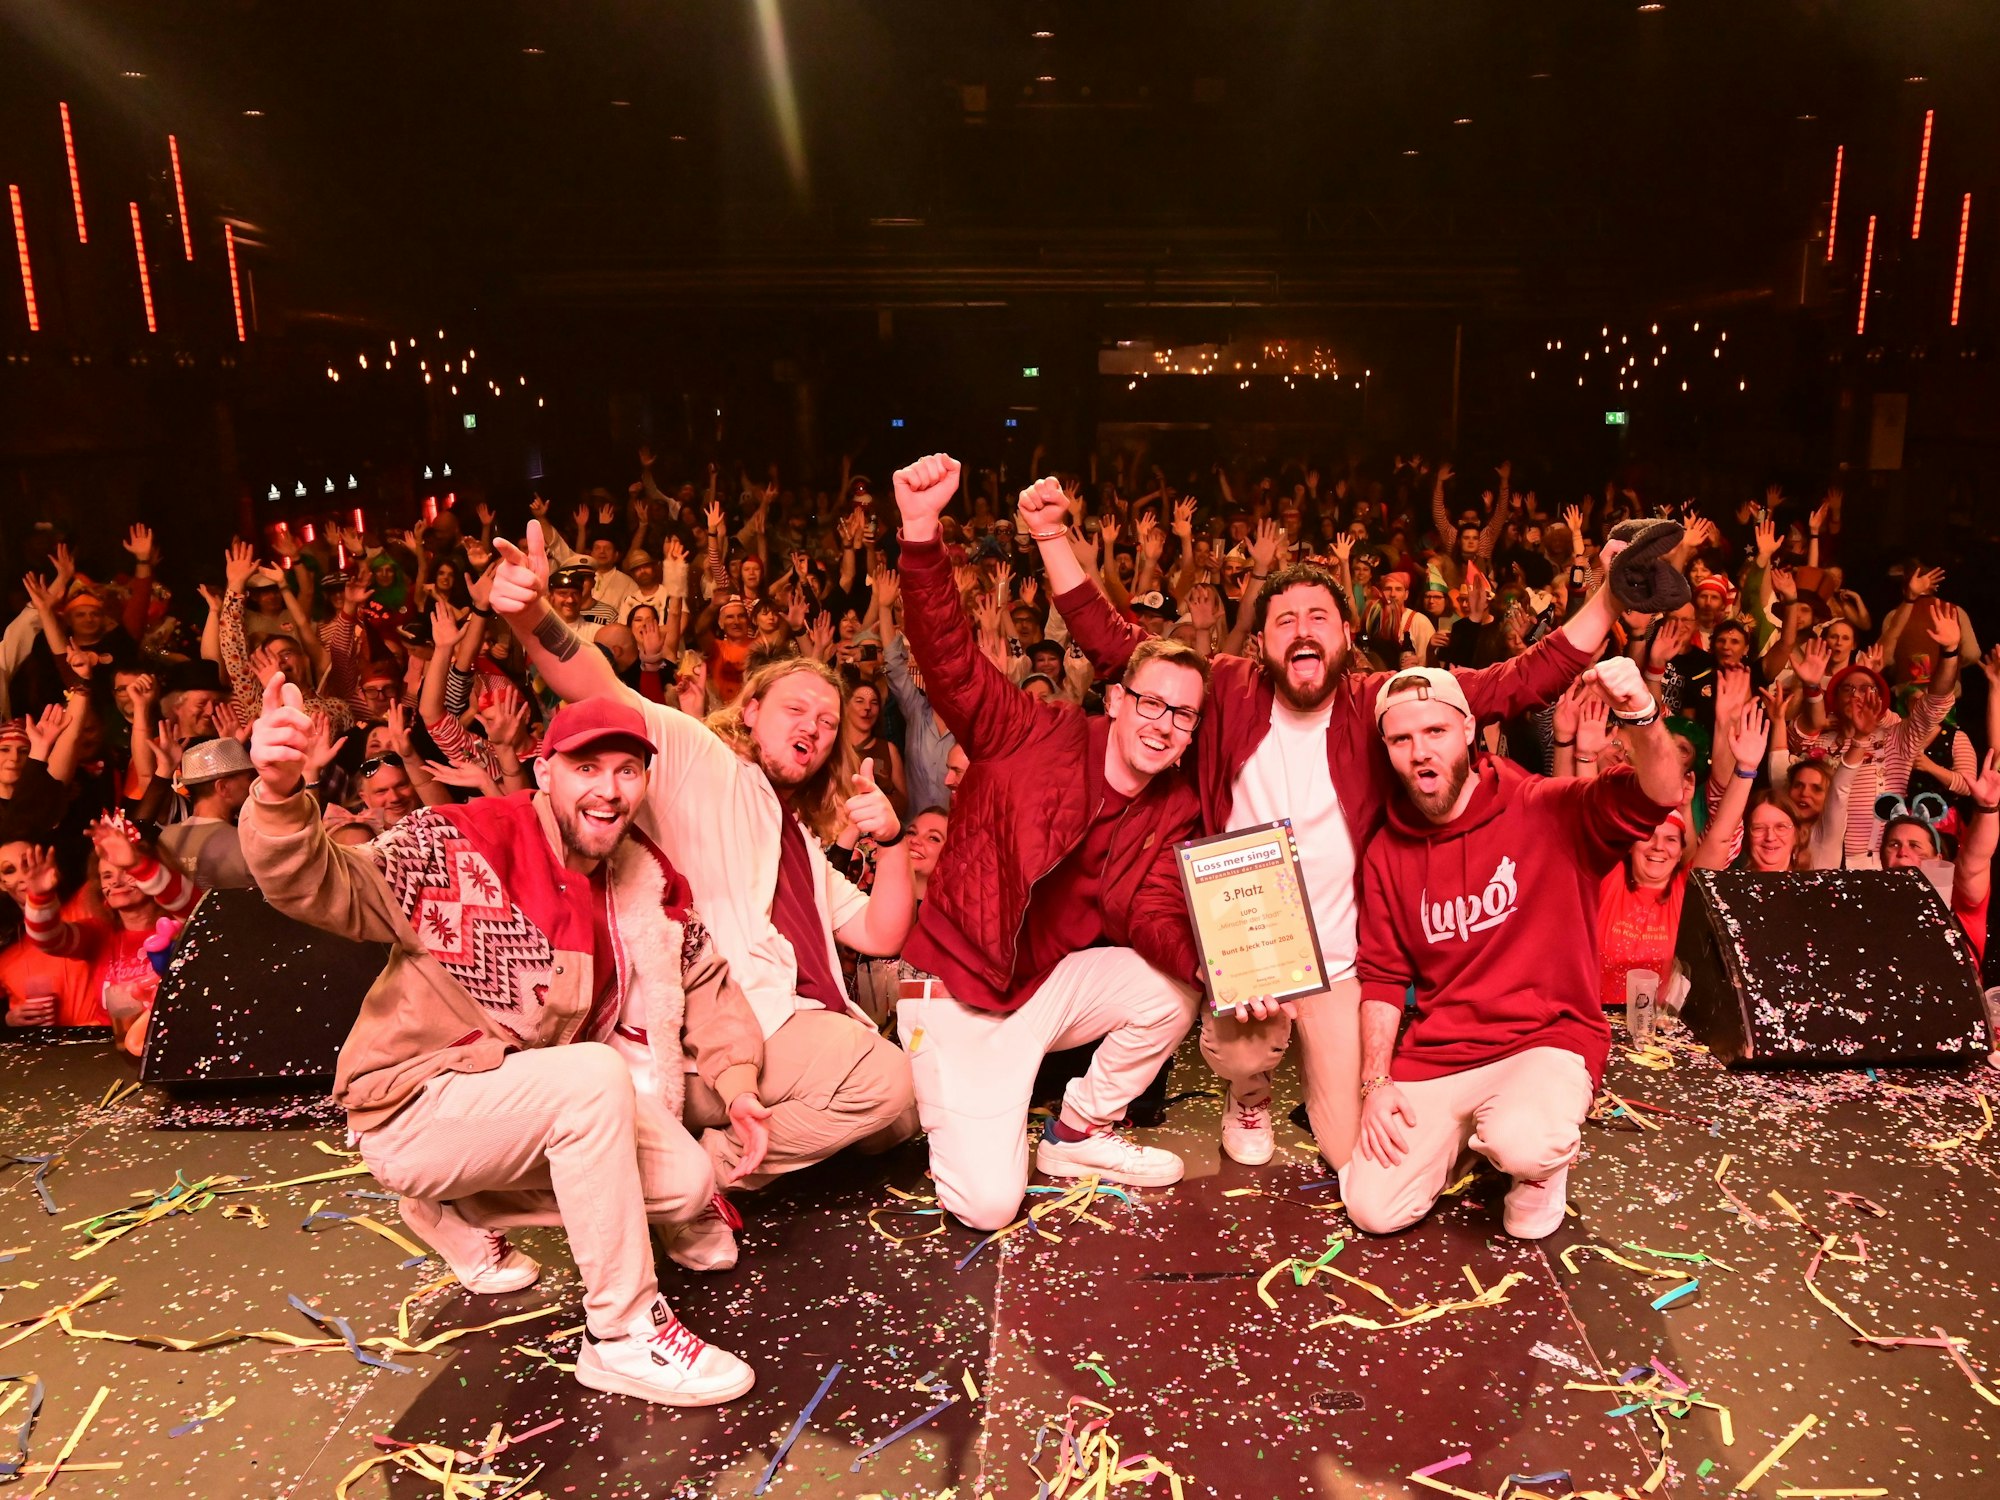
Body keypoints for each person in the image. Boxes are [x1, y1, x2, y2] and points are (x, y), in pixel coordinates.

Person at [1035, 477, 1632, 1175]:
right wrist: (1050, 535)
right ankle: (1247, 1092)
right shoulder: (1225, 688)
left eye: (1319, 616)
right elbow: (1118, 646)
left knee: (1357, 1157)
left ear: (1347, 634)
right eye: (1285, 621)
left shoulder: (1383, 701)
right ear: (1260, 642)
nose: (1303, 630)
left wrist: (1612, 595)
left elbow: (1515, 682)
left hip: (1341, 963)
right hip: (1249, 951)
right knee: (1243, 1044)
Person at [241, 681, 758, 1407]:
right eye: (587, 768)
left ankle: (456, 1205)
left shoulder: (641, 879)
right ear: (545, 772)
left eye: (627, 770)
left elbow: (702, 975)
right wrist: (276, 792)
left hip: (514, 1103)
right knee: (592, 1077)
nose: (608, 790)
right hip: (411, 1102)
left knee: (685, 1184)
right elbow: (322, 884)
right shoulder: (465, 838)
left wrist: (738, 1084)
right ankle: (624, 1332)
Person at [488, 522, 919, 1253]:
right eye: (796, 709)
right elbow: (598, 685)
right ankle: (691, 1178)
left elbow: (881, 935)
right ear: (749, 709)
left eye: (827, 720)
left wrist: (896, 842)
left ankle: (687, 1141)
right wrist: (534, 617)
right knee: (885, 1084)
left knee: (899, 1126)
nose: (813, 725)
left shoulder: (800, 843)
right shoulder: (702, 761)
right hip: (715, 1024)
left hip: (777, 1024)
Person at [890, 455, 1206, 1232]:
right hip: (957, 995)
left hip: (1037, 995)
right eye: (1150, 702)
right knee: (990, 1206)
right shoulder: (1030, 731)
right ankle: (953, 1109)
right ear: (1116, 696)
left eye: (1184, 716)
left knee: (1172, 989)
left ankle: (1076, 1133)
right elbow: (951, 662)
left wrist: (1230, 973)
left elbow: (1157, 916)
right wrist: (922, 535)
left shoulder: (1173, 807)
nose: (1162, 724)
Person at [1344, 656, 1683, 1238]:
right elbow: (1380, 975)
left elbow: (1658, 794)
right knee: (1372, 1210)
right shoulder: (1386, 851)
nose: (1420, 751)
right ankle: (1480, 1136)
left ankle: (1534, 1168)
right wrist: (1376, 1082)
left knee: (1526, 1148)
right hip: (1444, 1050)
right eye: (1401, 739)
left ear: (1469, 730)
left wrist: (1644, 717)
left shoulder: (1541, 807)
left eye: (1435, 731)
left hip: (1542, 1038)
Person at [159, 736, 256, 890]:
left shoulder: (166, 838)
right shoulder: (244, 842)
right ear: (222, 787)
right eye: (250, 778)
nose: (254, 785)